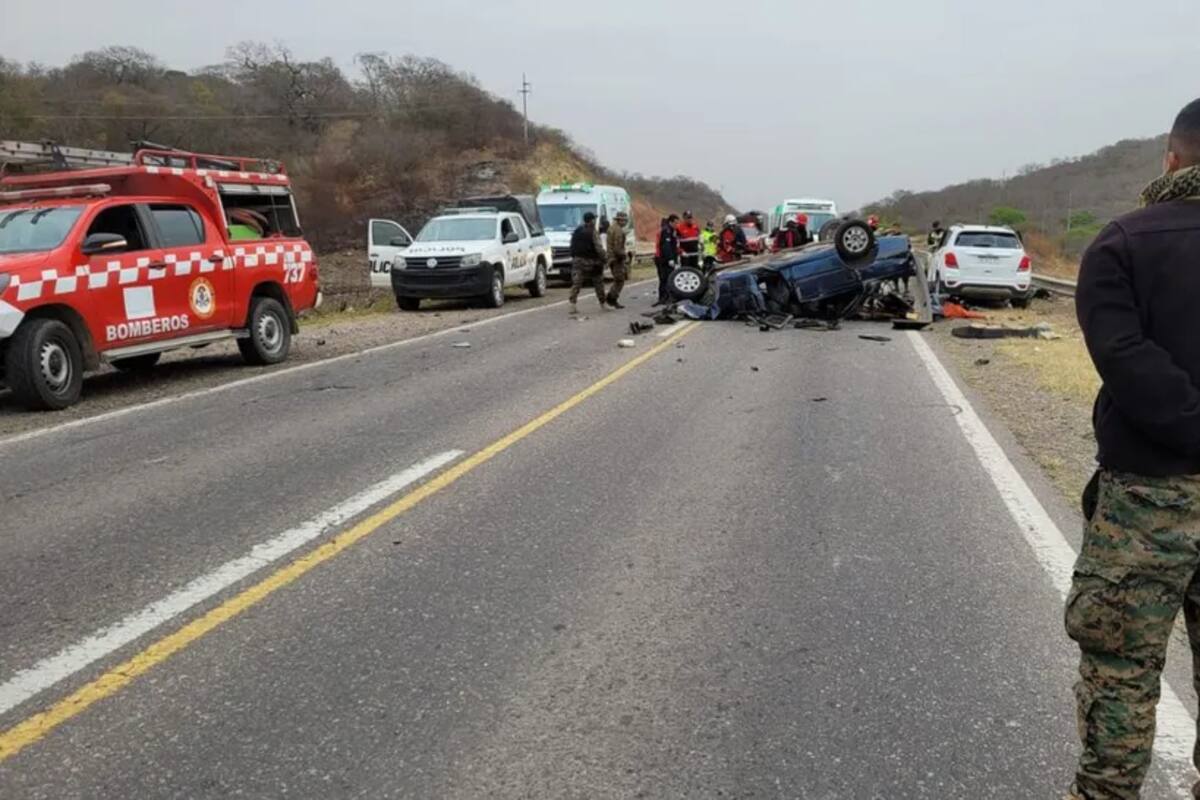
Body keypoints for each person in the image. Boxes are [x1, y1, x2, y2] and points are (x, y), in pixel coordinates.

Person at [1066, 97, 1200, 800]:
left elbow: (1125, 358)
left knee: (1121, 670)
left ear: (1173, 157)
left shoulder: (1123, 243)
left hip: (1147, 500)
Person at [568, 211, 607, 314]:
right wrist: (604, 258)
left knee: (577, 283)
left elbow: (572, 246)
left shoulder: (577, 230)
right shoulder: (593, 232)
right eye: (594, 219)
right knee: (598, 282)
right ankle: (603, 303)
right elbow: (598, 248)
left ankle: (572, 304)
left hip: (577, 260)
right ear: (592, 220)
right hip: (592, 261)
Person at [605, 210, 630, 309]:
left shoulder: (611, 228)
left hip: (612, 257)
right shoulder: (618, 231)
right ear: (620, 221)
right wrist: (624, 256)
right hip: (616, 259)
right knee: (620, 280)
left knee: (618, 279)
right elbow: (617, 248)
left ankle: (611, 298)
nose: (625, 222)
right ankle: (611, 298)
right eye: (624, 221)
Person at [654, 214, 680, 306]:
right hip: (663, 259)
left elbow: (674, 246)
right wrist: (670, 259)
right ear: (671, 222)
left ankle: (667, 297)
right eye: (676, 223)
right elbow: (666, 246)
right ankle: (663, 298)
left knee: (668, 278)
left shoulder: (672, 230)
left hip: (666, 258)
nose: (677, 225)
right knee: (665, 278)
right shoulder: (667, 231)